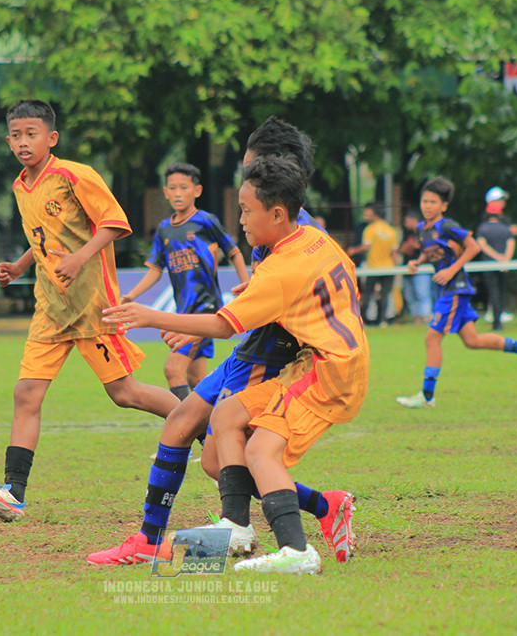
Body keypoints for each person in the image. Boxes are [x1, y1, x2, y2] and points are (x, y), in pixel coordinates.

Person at [87, 116, 356, 568]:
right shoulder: (276, 220)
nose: (243, 178)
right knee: (194, 437)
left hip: (273, 356)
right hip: (252, 346)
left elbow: (269, 308)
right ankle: (311, 509)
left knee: (213, 453)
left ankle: (261, 530)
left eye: (248, 165)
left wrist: (177, 319)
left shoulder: (288, 227)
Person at [0, 100, 180, 521]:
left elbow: (115, 223)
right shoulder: (21, 187)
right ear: (8, 141)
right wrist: (20, 266)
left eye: (32, 134)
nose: (24, 142)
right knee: (26, 394)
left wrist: (80, 258)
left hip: (91, 304)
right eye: (17, 136)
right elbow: (43, 236)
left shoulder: (75, 175)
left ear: (51, 138)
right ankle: (12, 491)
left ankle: (202, 422)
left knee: (125, 393)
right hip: (51, 308)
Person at [396, 177, 517, 409]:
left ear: (443, 206)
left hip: (455, 289)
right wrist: (417, 261)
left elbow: (473, 247)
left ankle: (426, 397)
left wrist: (451, 269)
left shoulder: (447, 225)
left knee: (432, 338)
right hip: (451, 289)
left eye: (433, 202)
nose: (427, 206)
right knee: (472, 341)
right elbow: (433, 252)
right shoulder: (421, 229)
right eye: (425, 201)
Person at [121, 162, 248, 400]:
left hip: (205, 309)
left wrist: (247, 286)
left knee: (173, 369)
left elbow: (234, 252)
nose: (178, 193)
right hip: (183, 312)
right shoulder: (164, 230)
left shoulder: (206, 221)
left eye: (184, 187)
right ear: (166, 192)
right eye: (173, 188)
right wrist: (130, 296)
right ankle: (218, 425)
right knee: (196, 379)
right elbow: (155, 271)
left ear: (197, 191)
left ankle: (184, 428)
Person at [350, 202, 399, 326]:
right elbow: (394, 253)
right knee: (385, 294)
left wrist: (353, 250)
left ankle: (364, 321)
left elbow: (366, 246)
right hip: (389, 267)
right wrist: (396, 268)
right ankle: (382, 321)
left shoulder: (370, 229)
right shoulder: (391, 230)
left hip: (373, 268)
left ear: (375, 216)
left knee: (368, 294)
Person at [475, 211, 516, 331]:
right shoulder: (506, 229)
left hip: (488, 265)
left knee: (493, 292)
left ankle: (496, 322)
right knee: (501, 292)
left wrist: (496, 257)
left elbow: (482, 245)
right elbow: (511, 244)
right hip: (504, 265)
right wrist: (505, 260)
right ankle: (498, 321)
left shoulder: (482, 228)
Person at [397, 209, 433, 325]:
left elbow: (420, 246)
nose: (405, 224)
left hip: (422, 269)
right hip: (407, 269)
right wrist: (410, 246)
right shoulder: (407, 234)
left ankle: (425, 317)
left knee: (422, 293)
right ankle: (416, 318)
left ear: (414, 220)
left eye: (407, 221)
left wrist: (410, 246)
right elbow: (402, 249)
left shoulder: (424, 231)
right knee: (410, 295)